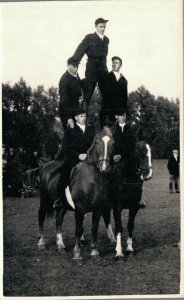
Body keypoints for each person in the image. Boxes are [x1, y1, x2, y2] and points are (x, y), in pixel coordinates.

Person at [54, 109, 96, 207]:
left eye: (85, 116)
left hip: (89, 159)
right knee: (64, 174)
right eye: (81, 116)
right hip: (73, 159)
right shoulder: (70, 130)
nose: (83, 118)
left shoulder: (91, 129)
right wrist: (78, 155)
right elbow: (65, 147)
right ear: (76, 118)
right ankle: (59, 199)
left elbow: (94, 145)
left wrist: (88, 155)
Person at [111, 108, 146, 208]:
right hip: (113, 159)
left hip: (127, 159)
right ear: (116, 117)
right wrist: (113, 155)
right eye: (120, 115)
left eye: (124, 115)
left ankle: (138, 199)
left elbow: (132, 146)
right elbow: (109, 145)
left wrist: (122, 155)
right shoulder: (111, 130)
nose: (123, 117)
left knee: (137, 176)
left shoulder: (130, 130)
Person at [72, 18, 109, 107]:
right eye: (101, 27)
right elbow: (80, 50)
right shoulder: (89, 37)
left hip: (103, 70)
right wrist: (73, 63)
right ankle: (82, 116)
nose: (103, 29)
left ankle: (106, 119)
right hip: (92, 68)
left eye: (104, 27)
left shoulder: (106, 40)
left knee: (108, 94)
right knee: (87, 95)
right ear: (96, 27)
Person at [101, 56, 128, 125]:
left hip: (120, 114)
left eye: (116, 63)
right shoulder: (106, 77)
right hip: (107, 113)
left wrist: (124, 112)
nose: (114, 64)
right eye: (113, 62)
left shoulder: (124, 80)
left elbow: (125, 98)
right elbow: (105, 95)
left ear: (120, 65)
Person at [59, 57, 84, 130]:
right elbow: (64, 100)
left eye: (77, 66)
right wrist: (69, 118)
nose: (76, 68)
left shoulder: (75, 75)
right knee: (69, 135)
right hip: (66, 112)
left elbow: (78, 90)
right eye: (74, 66)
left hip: (75, 109)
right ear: (68, 66)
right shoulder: (64, 80)